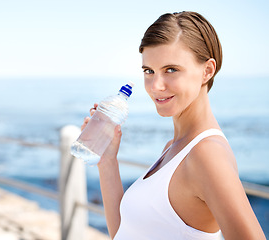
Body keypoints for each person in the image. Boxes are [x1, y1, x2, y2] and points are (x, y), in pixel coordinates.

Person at [81, 11, 266, 240]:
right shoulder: (173, 148)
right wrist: (107, 161)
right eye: (149, 71)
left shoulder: (206, 155)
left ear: (207, 71)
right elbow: (125, 234)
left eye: (171, 70)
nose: (156, 85)